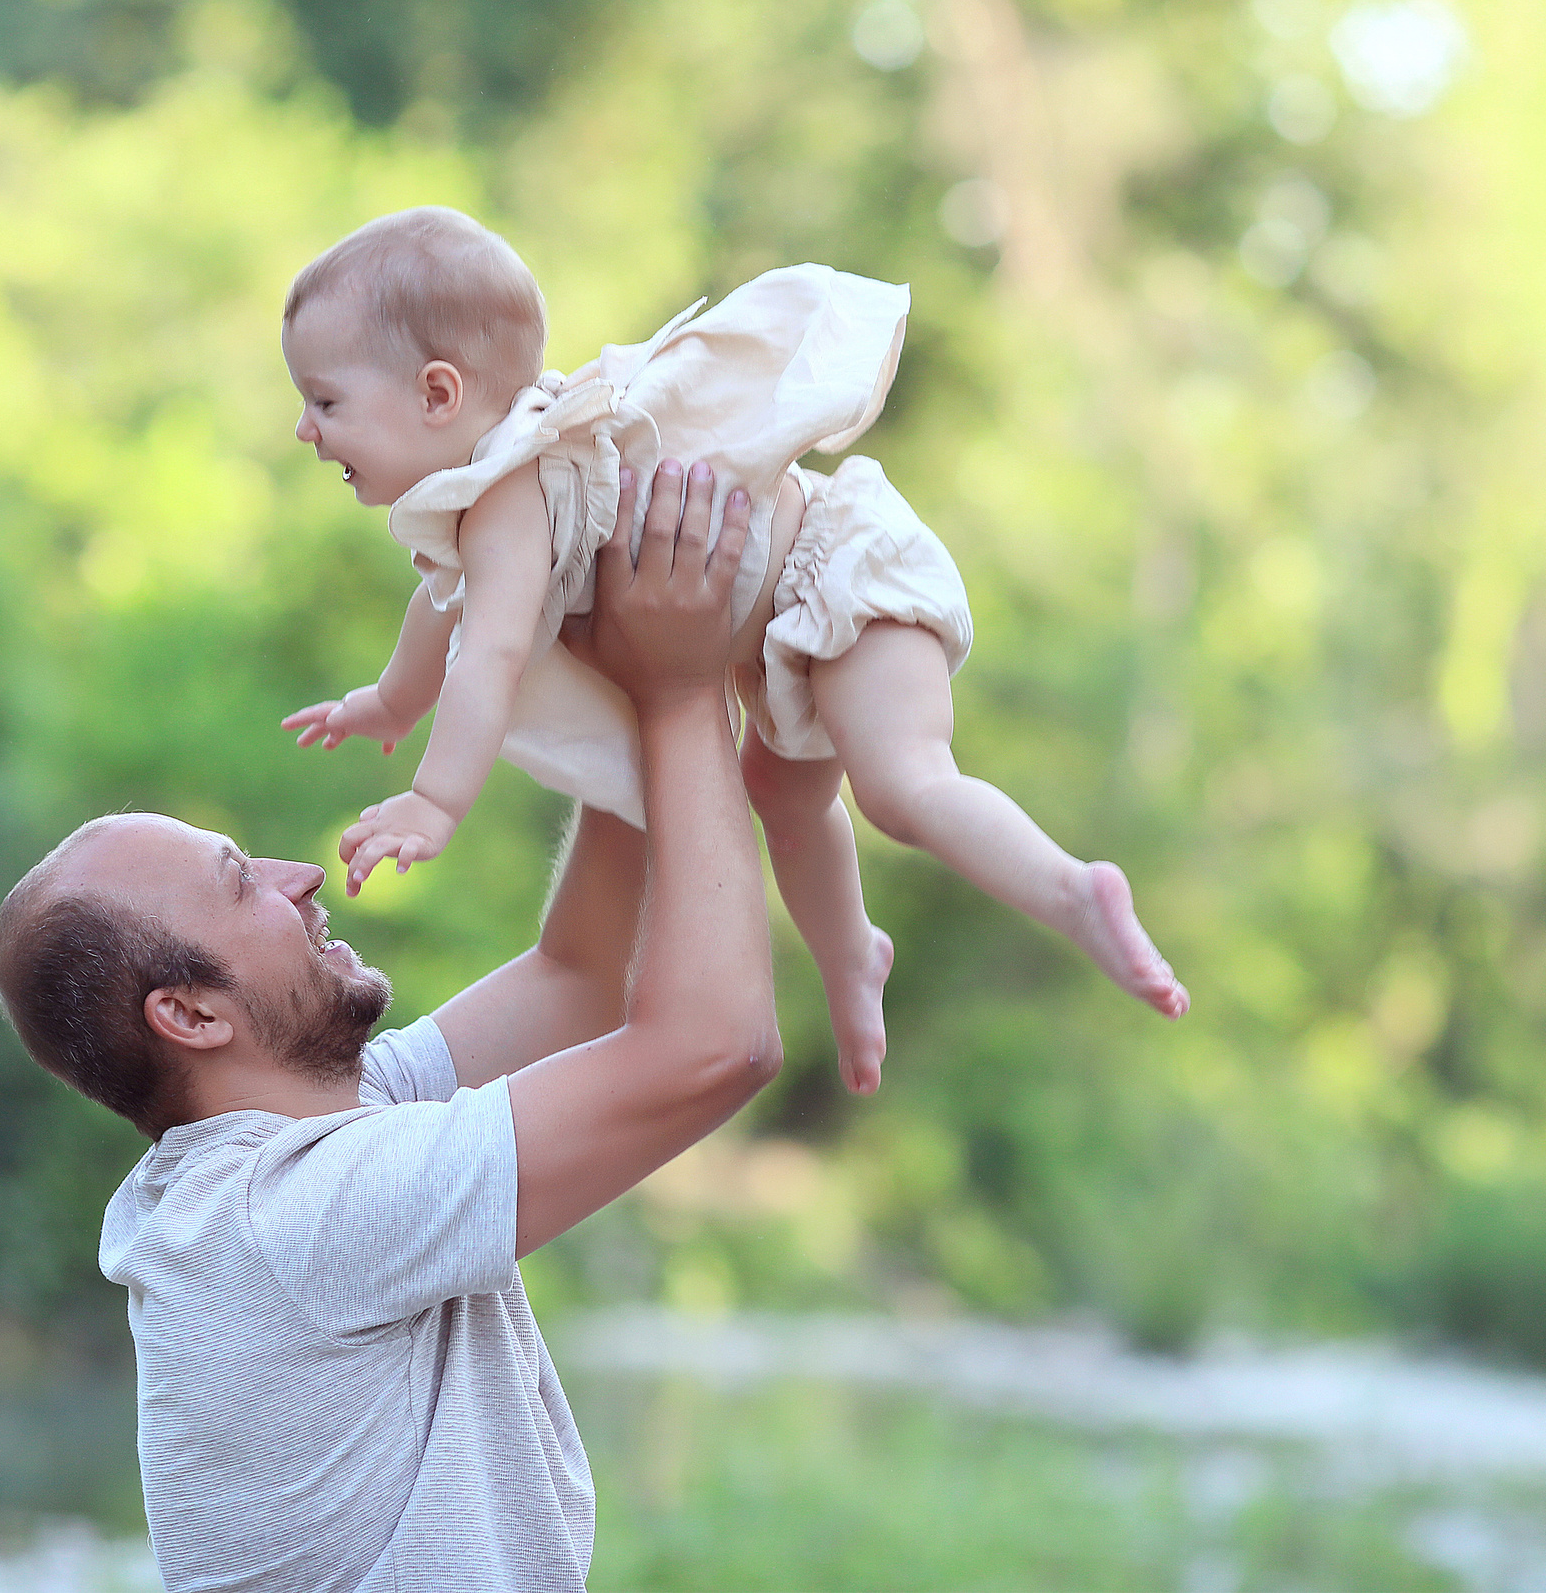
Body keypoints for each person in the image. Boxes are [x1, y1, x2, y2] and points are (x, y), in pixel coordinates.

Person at [0, 463, 781, 1592]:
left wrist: (603, 664)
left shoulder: (305, 1141)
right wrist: (680, 694)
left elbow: (578, 979)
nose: (302, 876)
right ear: (190, 1014)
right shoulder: (293, 1217)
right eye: (241, 883)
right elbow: (716, 1048)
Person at [278, 206, 1187, 1095]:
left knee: (903, 787)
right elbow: (443, 610)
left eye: (326, 400)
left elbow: (490, 654)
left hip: (836, 577)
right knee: (785, 800)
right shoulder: (486, 505)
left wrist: (435, 803)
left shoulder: (512, 500)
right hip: (778, 648)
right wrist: (392, 703)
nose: (305, 428)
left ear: (439, 394)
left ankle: (1074, 891)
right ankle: (853, 957)